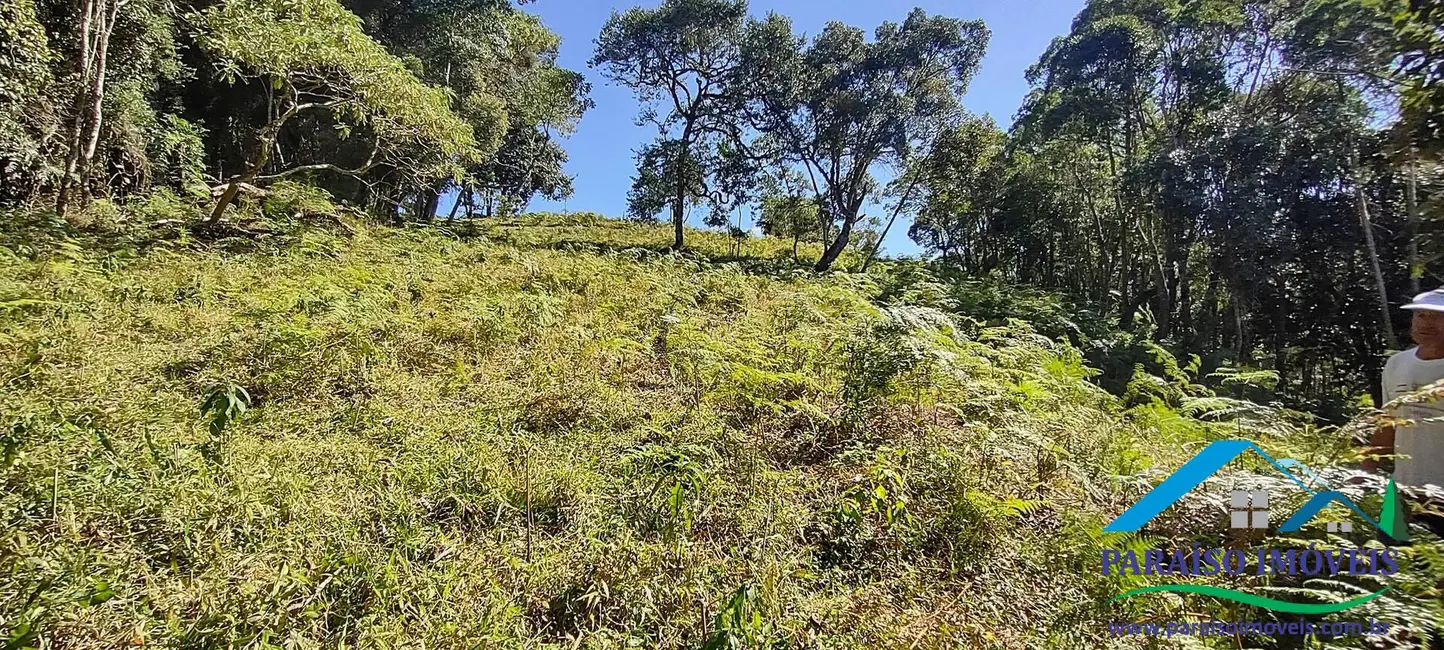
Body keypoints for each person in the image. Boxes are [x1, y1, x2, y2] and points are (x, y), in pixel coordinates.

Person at [1368, 288, 1444, 489]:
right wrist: (1362, 474)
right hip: (1405, 490)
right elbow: (1387, 424)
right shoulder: (1397, 364)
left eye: (1438, 316)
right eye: (1420, 315)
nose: (1426, 323)